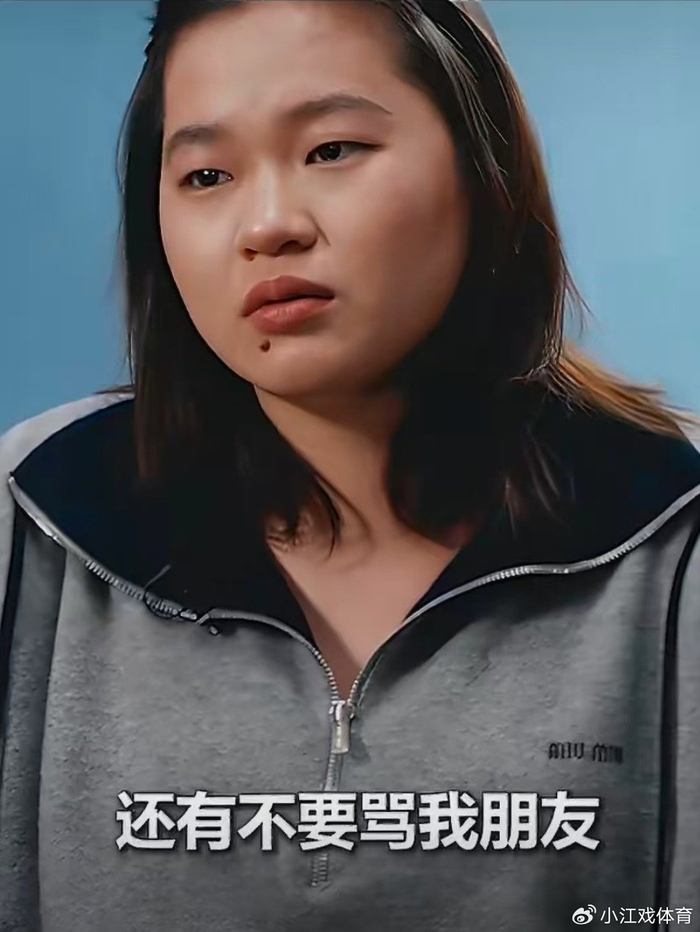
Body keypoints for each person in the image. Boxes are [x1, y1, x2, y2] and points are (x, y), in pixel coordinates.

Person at [1, 1, 698, 929]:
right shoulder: (34, 513)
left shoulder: (673, 533)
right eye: (206, 174)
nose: (268, 226)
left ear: (483, 170)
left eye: (331, 150)